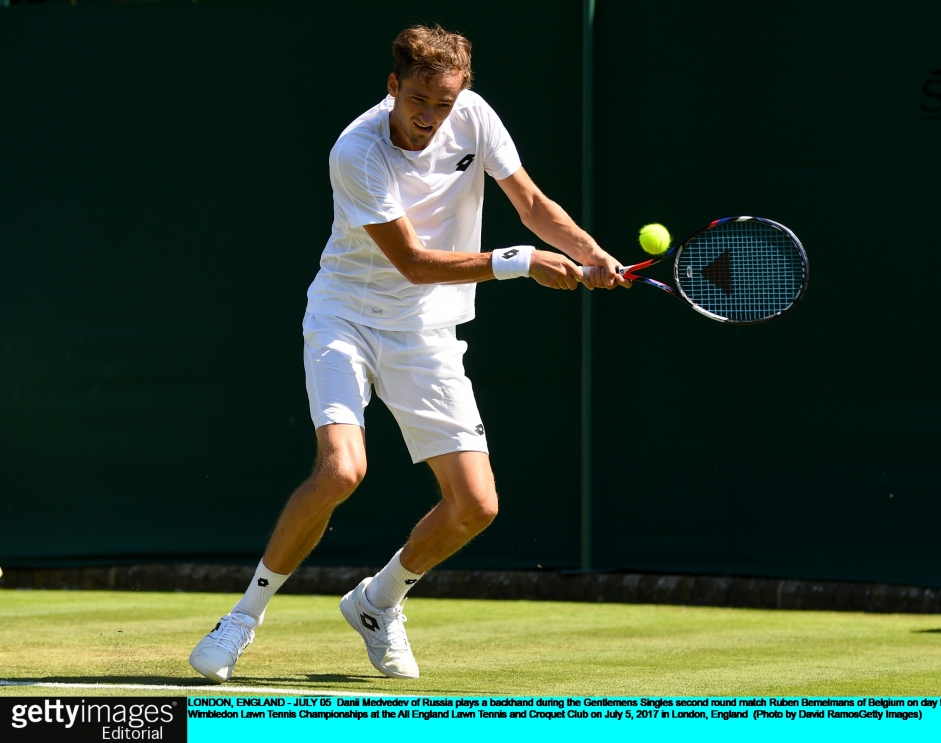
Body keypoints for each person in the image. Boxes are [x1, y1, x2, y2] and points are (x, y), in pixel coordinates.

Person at [188, 24, 626, 683]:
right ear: (393, 86)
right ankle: (242, 619)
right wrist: (522, 262)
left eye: (444, 103)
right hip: (348, 318)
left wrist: (592, 255)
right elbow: (416, 263)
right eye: (419, 100)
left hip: (427, 331)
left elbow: (531, 203)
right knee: (341, 470)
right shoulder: (356, 152)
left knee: (476, 505)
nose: (430, 117)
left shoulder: (473, 117)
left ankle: (378, 601)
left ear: (462, 92)